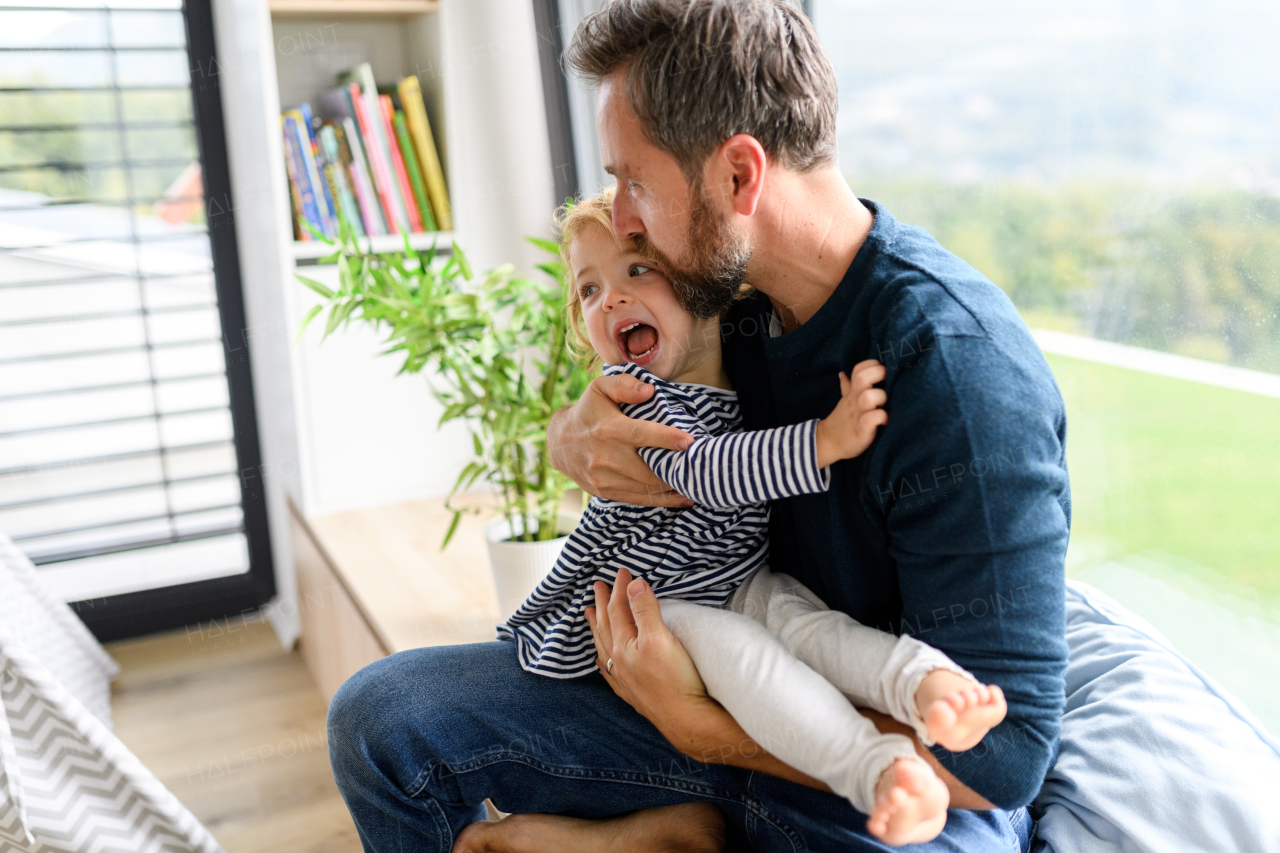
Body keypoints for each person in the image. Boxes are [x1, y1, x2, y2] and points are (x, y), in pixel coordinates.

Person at [326, 2, 1068, 851]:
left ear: (738, 178)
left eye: (634, 182)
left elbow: (1002, 764)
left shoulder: (957, 372)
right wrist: (572, 437)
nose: (624, 217)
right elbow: (618, 398)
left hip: (893, 766)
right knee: (381, 721)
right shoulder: (725, 302)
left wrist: (700, 726)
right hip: (705, 656)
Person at [496, 190, 1008, 845]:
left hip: (734, 580)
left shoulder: (741, 359)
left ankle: (930, 688)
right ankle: (879, 769)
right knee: (755, 665)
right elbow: (710, 469)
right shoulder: (640, 399)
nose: (612, 299)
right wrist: (821, 441)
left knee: (812, 627)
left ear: (707, 289)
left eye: (636, 270)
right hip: (663, 603)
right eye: (589, 290)